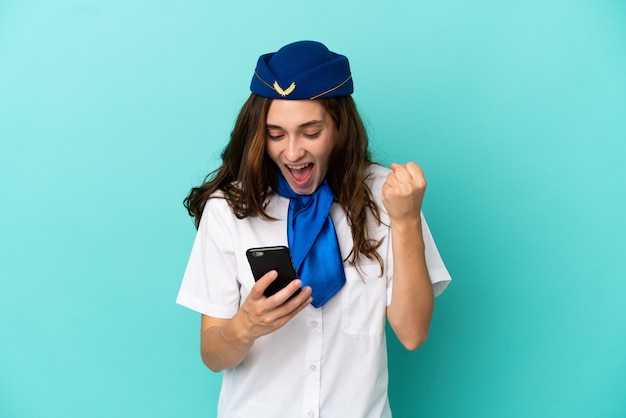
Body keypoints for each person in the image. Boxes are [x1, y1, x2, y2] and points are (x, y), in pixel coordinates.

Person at [176, 40, 451, 418]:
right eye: (276, 134)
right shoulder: (228, 208)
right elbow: (212, 355)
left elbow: (412, 333)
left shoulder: (390, 197)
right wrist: (246, 325)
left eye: (310, 132)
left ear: (339, 127)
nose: (292, 153)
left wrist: (405, 221)